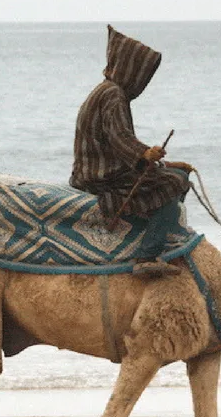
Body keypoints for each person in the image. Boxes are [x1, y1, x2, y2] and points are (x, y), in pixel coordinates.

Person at [71, 25, 190, 278]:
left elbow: (117, 144)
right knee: (175, 182)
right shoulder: (113, 95)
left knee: (174, 173)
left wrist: (160, 162)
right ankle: (147, 254)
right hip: (101, 178)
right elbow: (120, 139)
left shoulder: (106, 90)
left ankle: (148, 231)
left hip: (103, 170)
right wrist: (146, 154)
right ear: (130, 69)